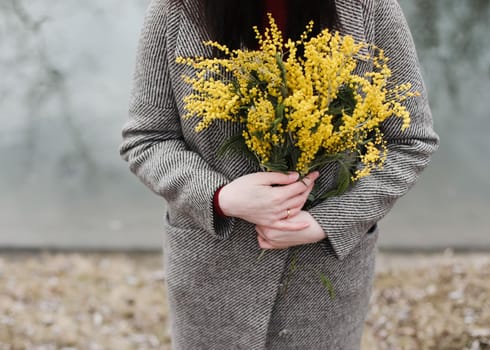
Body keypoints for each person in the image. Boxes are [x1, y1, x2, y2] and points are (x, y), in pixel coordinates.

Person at [119, 0, 439, 349]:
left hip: (323, 274)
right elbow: (147, 139)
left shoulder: (368, 7)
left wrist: (330, 220)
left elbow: (411, 142)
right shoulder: (176, 11)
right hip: (213, 272)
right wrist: (220, 196)